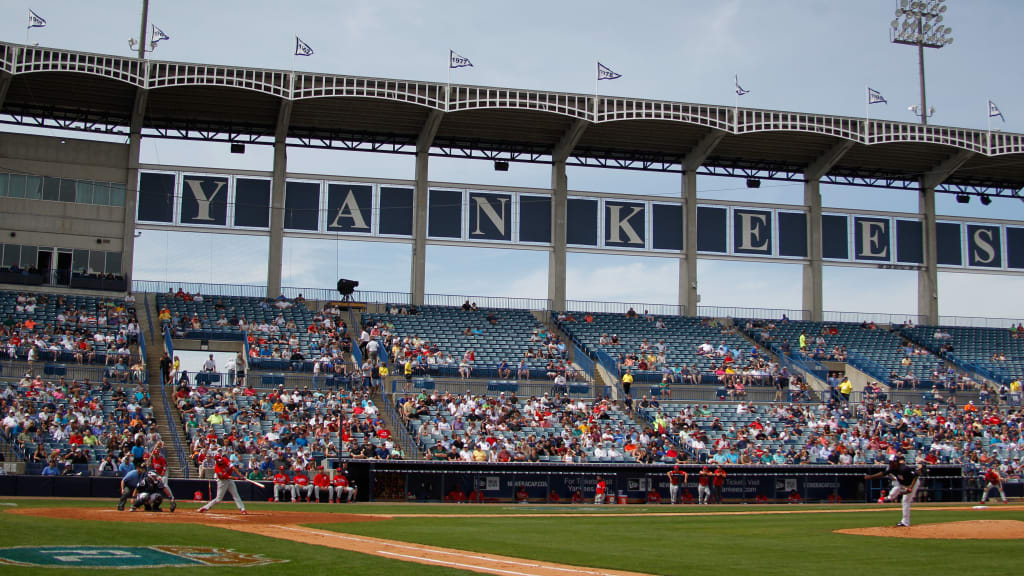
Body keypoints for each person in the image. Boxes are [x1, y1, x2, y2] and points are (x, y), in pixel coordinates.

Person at [864, 456, 925, 527]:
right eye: (890, 462)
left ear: (896, 462)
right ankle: (889, 498)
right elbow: (882, 473)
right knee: (897, 488)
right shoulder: (892, 468)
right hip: (902, 483)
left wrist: (910, 488)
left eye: (892, 462)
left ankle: (905, 522)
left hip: (912, 483)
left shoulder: (904, 469)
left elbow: (916, 475)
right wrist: (871, 477)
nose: (891, 464)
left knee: (905, 501)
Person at [197, 449, 248, 514]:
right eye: (219, 461)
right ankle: (205, 507)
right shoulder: (217, 469)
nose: (220, 462)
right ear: (216, 461)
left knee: (235, 494)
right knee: (218, 499)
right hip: (222, 481)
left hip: (229, 480)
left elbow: (233, 468)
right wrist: (238, 478)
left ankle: (242, 509)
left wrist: (240, 474)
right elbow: (227, 476)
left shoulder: (224, 459)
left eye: (220, 460)